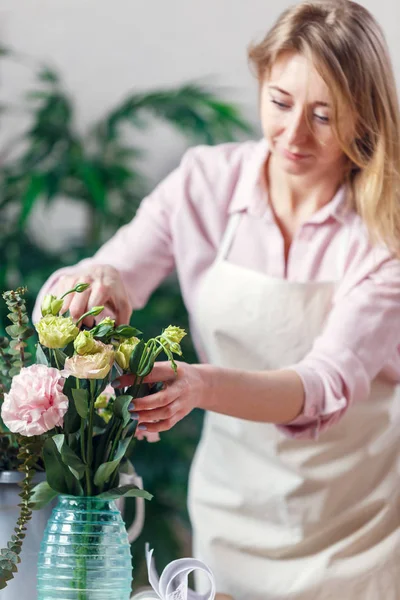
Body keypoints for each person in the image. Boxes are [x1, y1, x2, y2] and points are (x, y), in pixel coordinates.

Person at [34, 1, 400, 597]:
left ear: (363, 117)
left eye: (324, 115)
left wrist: (199, 385)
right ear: (260, 82)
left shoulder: (385, 232)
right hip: (232, 511)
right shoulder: (206, 182)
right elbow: (114, 265)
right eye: (280, 103)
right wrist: (95, 287)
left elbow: (321, 384)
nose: (294, 134)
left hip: (353, 529)